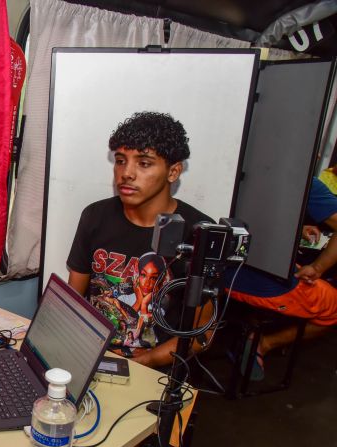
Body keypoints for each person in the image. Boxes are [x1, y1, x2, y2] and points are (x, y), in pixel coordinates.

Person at [67, 111, 213, 369]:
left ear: (173, 171)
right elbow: (72, 300)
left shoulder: (198, 232)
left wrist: (144, 362)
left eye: (144, 163)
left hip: (156, 366)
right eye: (121, 161)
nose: (127, 173)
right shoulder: (96, 216)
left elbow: (203, 332)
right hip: (91, 355)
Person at [227, 176, 337, 378]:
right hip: (248, 275)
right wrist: (318, 267)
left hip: (203, 267)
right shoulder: (303, 178)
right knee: (334, 309)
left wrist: (295, 230)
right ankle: (262, 343)